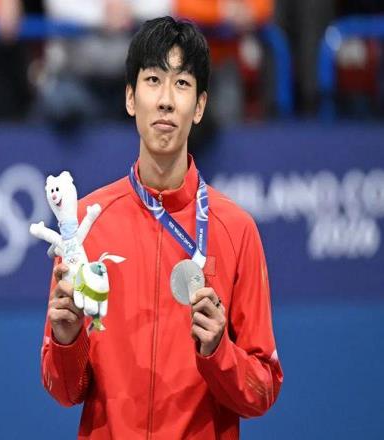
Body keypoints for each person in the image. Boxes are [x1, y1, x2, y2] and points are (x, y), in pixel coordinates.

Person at [41, 16, 283, 439]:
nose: (167, 100)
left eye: (182, 84)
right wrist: (66, 339)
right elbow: (64, 389)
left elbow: (262, 390)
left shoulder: (236, 230)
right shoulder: (84, 225)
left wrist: (219, 352)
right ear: (131, 98)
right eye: (153, 80)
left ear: (200, 106)